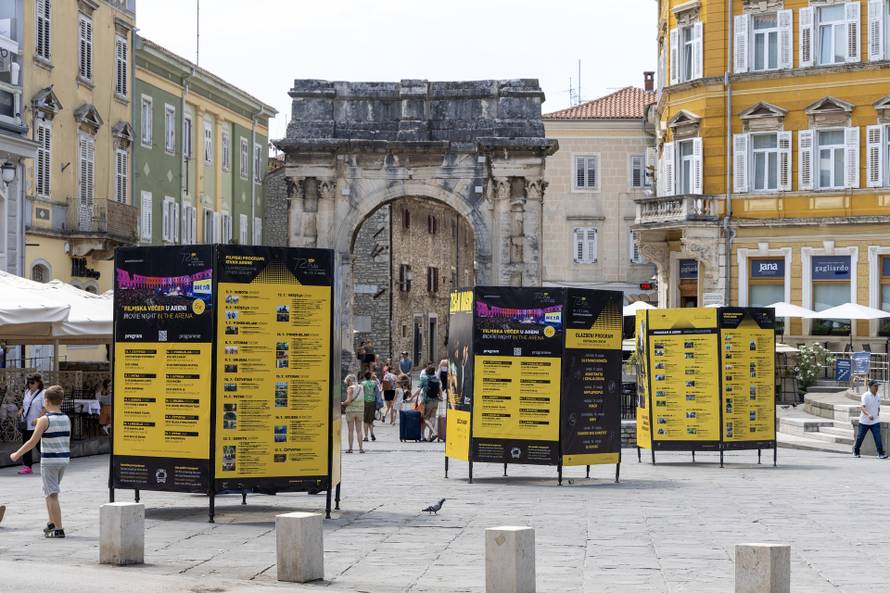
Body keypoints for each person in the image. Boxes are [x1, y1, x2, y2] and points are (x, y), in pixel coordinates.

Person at [10, 385, 70, 538]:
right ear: (61, 402)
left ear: (46, 401)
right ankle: (51, 522)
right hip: (63, 459)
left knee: (52, 494)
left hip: (49, 461)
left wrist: (17, 454)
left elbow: (32, 441)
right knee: (49, 491)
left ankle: (58, 528)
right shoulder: (66, 418)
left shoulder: (44, 420)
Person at [16, 374, 45, 475]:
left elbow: (45, 408)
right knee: (26, 445)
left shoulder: (42, 393)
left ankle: (48, 464)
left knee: (39, 445)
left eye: (32, 382)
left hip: (37, 424)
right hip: (26, 422)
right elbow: (25, 404)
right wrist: (21, 410)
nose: (30, 385)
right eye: (29, 383)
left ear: (38, 383)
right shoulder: (27, 392)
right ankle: (27, 466)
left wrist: (38, 419)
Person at [853, 380, 888, 459]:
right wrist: (868, 415)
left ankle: (880, 453)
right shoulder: (865, 395)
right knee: (860, 438)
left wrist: (877, 413)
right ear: (870, 386)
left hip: (875, 421)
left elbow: (878, 407)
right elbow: (862, 407)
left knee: (878, 437)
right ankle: (856, 451)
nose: (877, 388)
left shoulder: (878, 396)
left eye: (877, 386)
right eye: (875, 386)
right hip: (864, 421)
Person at [343, 375, 365, 453]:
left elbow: (348, 401)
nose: (347, 384)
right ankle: (361, 448)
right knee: (359, 430)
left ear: (349, 381)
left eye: (347, 382)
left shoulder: (350, 388)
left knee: (350, 431)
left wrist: (342, 403)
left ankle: (350, 448)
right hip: (360, 410)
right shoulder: (361, 387)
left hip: (351, 411)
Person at [419, 364, 441, 441]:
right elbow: (440, 389)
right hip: (436, 401)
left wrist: (411, 398)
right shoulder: (437, 379)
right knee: (433, 418)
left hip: (427, 401)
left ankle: (435, 433)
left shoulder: (424, 379)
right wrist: (441, 397)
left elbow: (419, 390)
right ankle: (429, 437)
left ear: (427, 372)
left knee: (425, 418)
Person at [361, 371, 377, 442]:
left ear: (365, 376)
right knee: (371, 420)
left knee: (365, 420)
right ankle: (372, 433)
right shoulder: (374, 383)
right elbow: (376, 392)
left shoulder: (363, 384)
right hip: (373, 402)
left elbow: (362, 393)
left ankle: (366, 436)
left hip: (366, 402)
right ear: (370, 376)